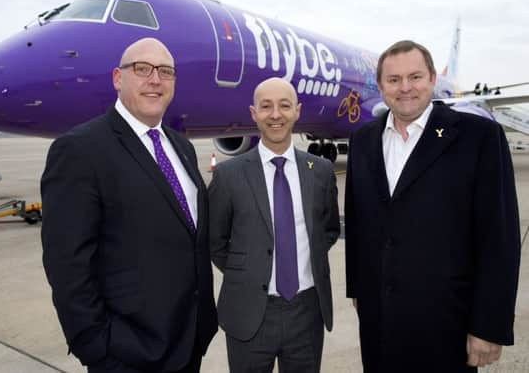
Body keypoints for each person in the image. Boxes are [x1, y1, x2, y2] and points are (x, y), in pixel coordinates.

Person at [41, 37, 217, 373]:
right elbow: (67, 265)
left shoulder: (181, 147)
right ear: (117, 79)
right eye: (142, 69)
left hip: (189, 342)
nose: (155, 79)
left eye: (165, 71)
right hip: (127, 354)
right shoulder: (80, 150)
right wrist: (96, 347)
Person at [345, 40, 520, 373]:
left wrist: (488, 325)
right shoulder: (363, 140)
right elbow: (357, 222)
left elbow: (499, 238)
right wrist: (358, 289)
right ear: (381, 86)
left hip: (446, 324)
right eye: (394, 80)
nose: (405, 88)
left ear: (432, 80)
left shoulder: (478, 137)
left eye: (415, 76)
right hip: (379, 321)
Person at [209, 77, 340, 373]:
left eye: (284, 105)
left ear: (297, 111)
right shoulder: (229, 176)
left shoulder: (319, 171)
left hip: (307, 311)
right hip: (249, 311)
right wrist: (248, 270)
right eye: (266, 106)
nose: (276, 114)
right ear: (254, 113)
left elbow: (328, 229)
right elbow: (215, 242)